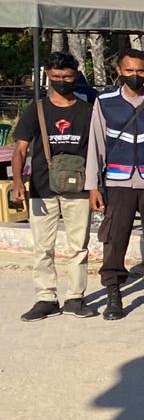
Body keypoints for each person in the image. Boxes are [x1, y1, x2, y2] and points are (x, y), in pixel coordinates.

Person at [86, 49, 144, 321]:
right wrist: (93, 186)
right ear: (119, 71)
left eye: (140, 71)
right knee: (114, 238)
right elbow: (95, 146)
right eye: (129, 71)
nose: (135, 76)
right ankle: (114, 295)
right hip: (118, 181)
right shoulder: (105, 102)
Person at [12, 51, 95, 321]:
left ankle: (75, 297)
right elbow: (20, 149)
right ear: (48, 75)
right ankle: (45, 297)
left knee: (77, 246)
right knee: (42, 246)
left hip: (79, 187)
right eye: (56, 76)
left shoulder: (88, 111)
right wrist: (17, 182)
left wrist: (95, 187)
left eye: (67, 76)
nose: (61, 81)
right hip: (41, 186)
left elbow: (95, 152)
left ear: (76, 76)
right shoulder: (36, 110)